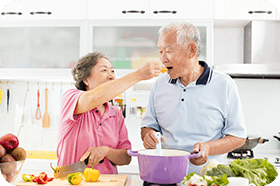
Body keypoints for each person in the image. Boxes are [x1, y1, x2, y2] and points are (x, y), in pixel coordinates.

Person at [141, 22, 247, 174]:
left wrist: (208, 148)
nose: (163, 59)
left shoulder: (224, 85)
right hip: (164, 175)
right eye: (160, 51)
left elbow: (238, 136)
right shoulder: (159, 84)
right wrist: (148, 135)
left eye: (168, 51)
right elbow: (148, 126)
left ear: (191, 50)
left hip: (206, 178)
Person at [57, 52, 164, 174]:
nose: (111, 76)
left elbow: (126, 157)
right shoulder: (71, 98)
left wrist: (106, 151)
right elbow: (93, 98)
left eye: (112, 71)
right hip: (71, 181)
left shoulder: (115, 114)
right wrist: (138, 75)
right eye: (104, 70)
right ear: (86, 79)